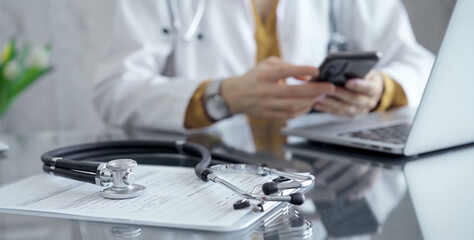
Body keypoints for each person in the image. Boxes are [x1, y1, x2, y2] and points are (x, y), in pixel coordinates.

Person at [93, 0, 434, 145]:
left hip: (318, 181)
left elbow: (420, 64)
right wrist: (220, 97)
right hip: (205, 176)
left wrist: (380, 90)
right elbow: (115, 91)